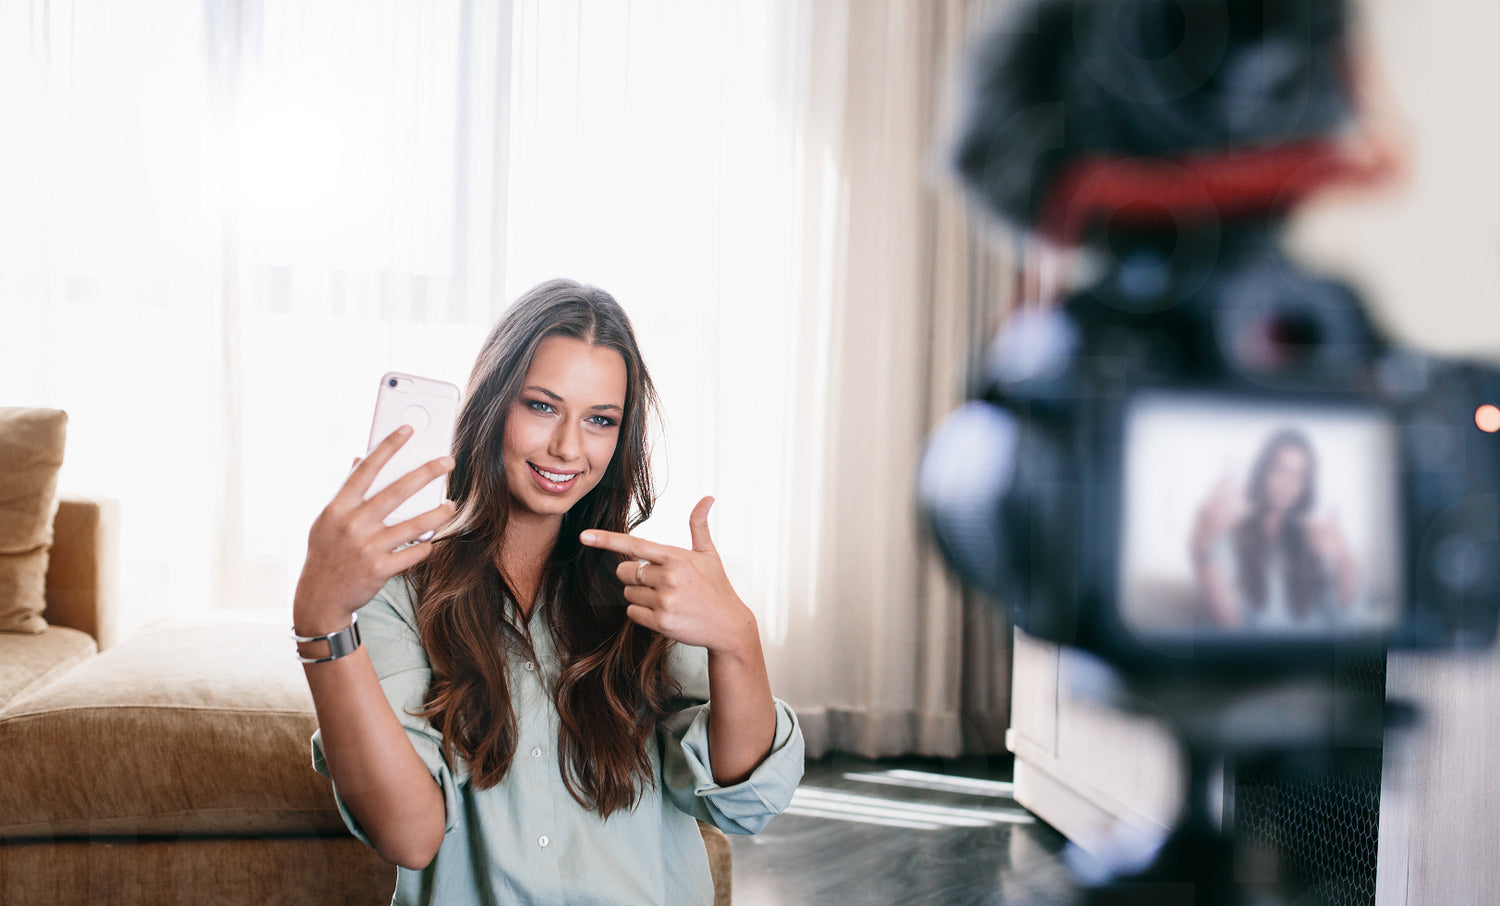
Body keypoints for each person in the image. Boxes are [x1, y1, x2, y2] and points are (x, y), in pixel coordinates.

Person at [292, 279, 803, 905]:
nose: (567, 447)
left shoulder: (645, 589)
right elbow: (409, 836)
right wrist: (320, 620)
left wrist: (737, 639)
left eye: (600, 420)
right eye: (541, 406)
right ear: (492, 403)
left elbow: (746, 803)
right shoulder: (397, 591)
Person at [1189, 428, 1357, 631]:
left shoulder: (1314, 537)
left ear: (1306, 485)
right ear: (1263, 471)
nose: (1287, 483)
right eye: (1279, 469)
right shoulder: (1233, 534)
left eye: (1299, 475)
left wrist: (1345, 561)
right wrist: (1201, 549)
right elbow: (1230, 625)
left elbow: (1340, 615)